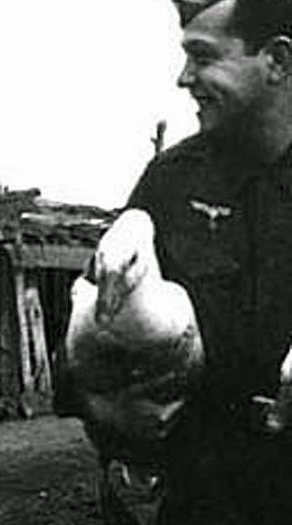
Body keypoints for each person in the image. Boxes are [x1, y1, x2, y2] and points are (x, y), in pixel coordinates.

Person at [90, 1, 292, 523]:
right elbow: (96, 346)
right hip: (203, 494)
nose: (183, 78)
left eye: (203, 57)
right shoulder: (169, 182)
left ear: (277, 61)